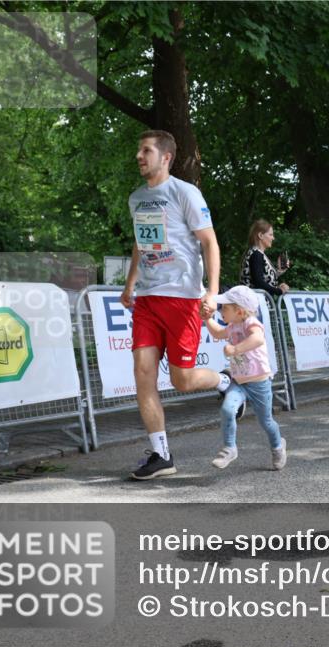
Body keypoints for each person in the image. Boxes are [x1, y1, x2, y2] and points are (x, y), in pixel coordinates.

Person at [121, 130, 228, 480]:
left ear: (165, 157)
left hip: (183, 298)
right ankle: (161, 454)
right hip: (148, 300)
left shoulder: (185, 193)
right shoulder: (137, 199)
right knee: (143, 372)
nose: (139, 156)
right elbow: (140, 242)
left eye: (146, 150)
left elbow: (209, 243)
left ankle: (224, 381)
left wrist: (212, 293)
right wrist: (130, 283)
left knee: (182, 380)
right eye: (139, 150)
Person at [202, 285, 287, 470]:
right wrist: (207, 318)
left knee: (266, 421)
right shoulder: (232, 326)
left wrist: (235, 349)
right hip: (239, 382)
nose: (221, 310)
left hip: (259, 383)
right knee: (227, 410)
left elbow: (258, 339)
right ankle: (229, 448)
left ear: (239, 311)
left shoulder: (251, 323)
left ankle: (278, 446)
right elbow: (217, 332)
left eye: (225, 307)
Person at [240, 219, 291, 298]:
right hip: (255, 303)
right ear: (260, 235)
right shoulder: (257, 254)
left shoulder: (256, 252)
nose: (273, 238)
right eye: (270, 235)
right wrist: (279, 290)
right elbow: (258, 282)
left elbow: (261, 278)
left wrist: (279, 271)